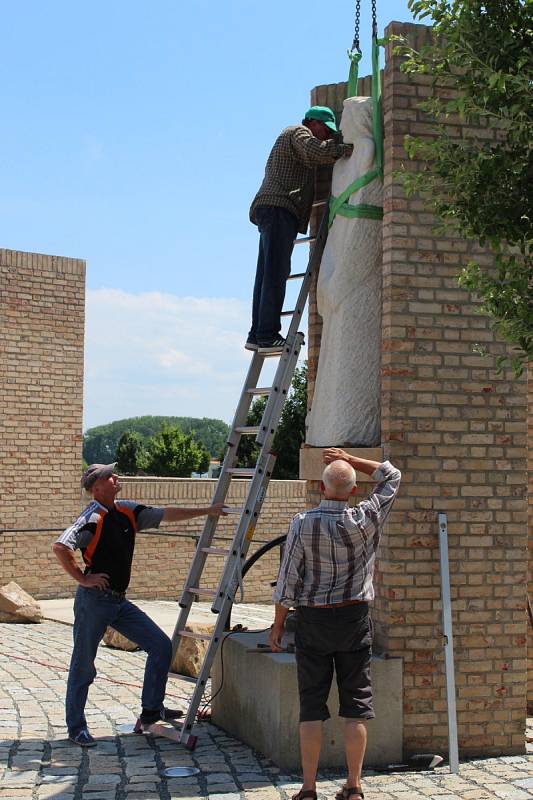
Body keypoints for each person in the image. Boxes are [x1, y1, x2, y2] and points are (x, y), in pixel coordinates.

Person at [53, 462, 227, 747]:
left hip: (118, 601)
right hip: (94, 602)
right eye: (110, 476)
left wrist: (207, 510)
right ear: (96, 487)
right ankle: (76, 728)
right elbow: (61, 547)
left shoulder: (127, 510)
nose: (116, 477)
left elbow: (165, 514)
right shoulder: (92, 516)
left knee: (160, 645)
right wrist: (83, 579)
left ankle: (151, 711)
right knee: (83, 664)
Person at [269, 449, 401, 800]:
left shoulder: (302, 523)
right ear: (354, 490)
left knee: (311, 704)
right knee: (356, 704)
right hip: (354, 618)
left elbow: (288, 582)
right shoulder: (366, 517)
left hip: (312, 620)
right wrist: (353, 460)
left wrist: (278, 625)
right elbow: (393, 476)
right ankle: (354, 786)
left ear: (323, 488)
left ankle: (309, 789)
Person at [246, 106, 353, 351]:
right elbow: (313, 150)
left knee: (267, 273)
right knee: (275, 272)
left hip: (273, 209)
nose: (326, 136)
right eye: (325, 131)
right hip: (279, 209)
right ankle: (266, 334)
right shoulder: (297, 132)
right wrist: (344, 150)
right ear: (313, 123)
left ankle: (257, 333)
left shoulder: (295, 137)